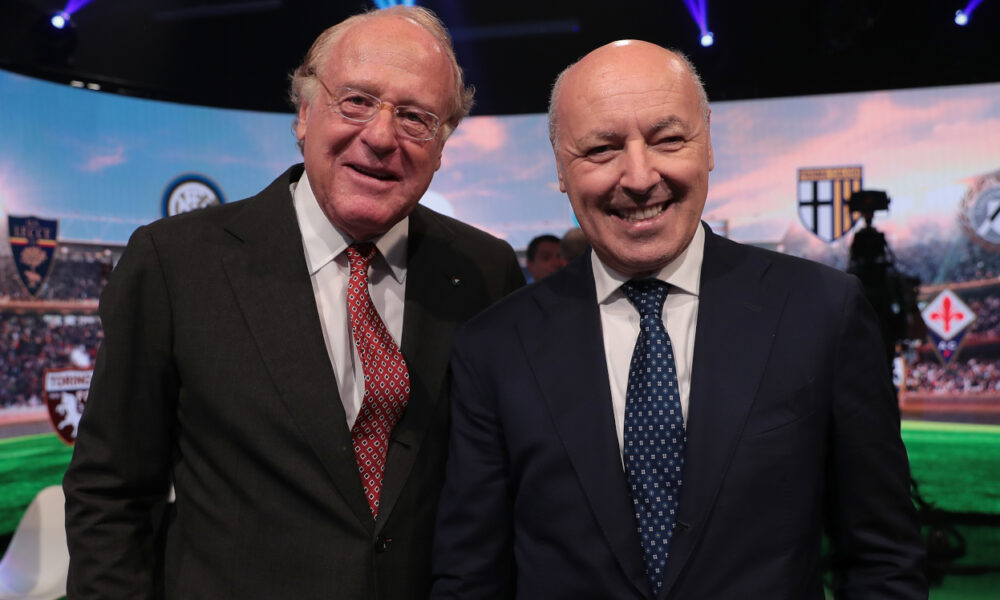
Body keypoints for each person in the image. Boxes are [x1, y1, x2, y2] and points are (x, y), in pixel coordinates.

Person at [431, 40, 926, 599]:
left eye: (668, 140)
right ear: (561, 169)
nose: (639, 177)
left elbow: (884, 559)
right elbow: (470, 578)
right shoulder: (496, 346)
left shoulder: (821, 311)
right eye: (601, 149)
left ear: (707, 144)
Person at [63, 6, 523, 600]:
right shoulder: (175, 263)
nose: (381, 136)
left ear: (442, 146)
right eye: (356, 101)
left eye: (416, 117)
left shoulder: (486, 271)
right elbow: (111, 494)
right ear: (304, 113)